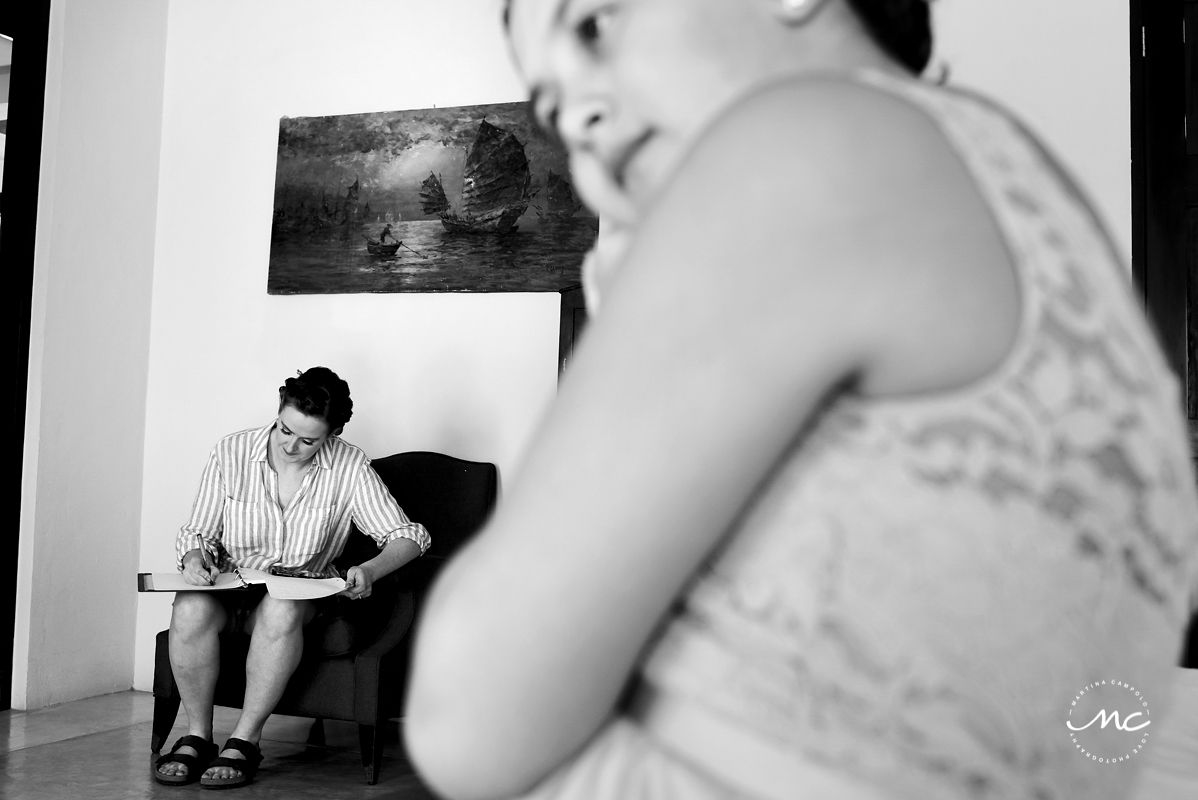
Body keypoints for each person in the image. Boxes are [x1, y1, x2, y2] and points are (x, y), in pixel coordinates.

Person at [402, 1, 1198, 799]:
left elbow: (463, 716)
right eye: (546, 104)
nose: (576, 110)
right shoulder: (1005, 192)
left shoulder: (809, 140)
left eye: (595, 27)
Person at [153, 366, 429, 789]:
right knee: (189, 606)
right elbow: (198, 532)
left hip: (301, 593)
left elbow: (409, 536)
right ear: (279, 412)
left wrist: (371, 569)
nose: (290, 446)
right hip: (233, 584)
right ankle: (197, 736)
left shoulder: (349, 464)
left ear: (332, 434)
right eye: (284, 430)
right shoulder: (230, 452)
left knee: (280, 609)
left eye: (308, 440)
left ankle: (244, 740)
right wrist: (194, 558)